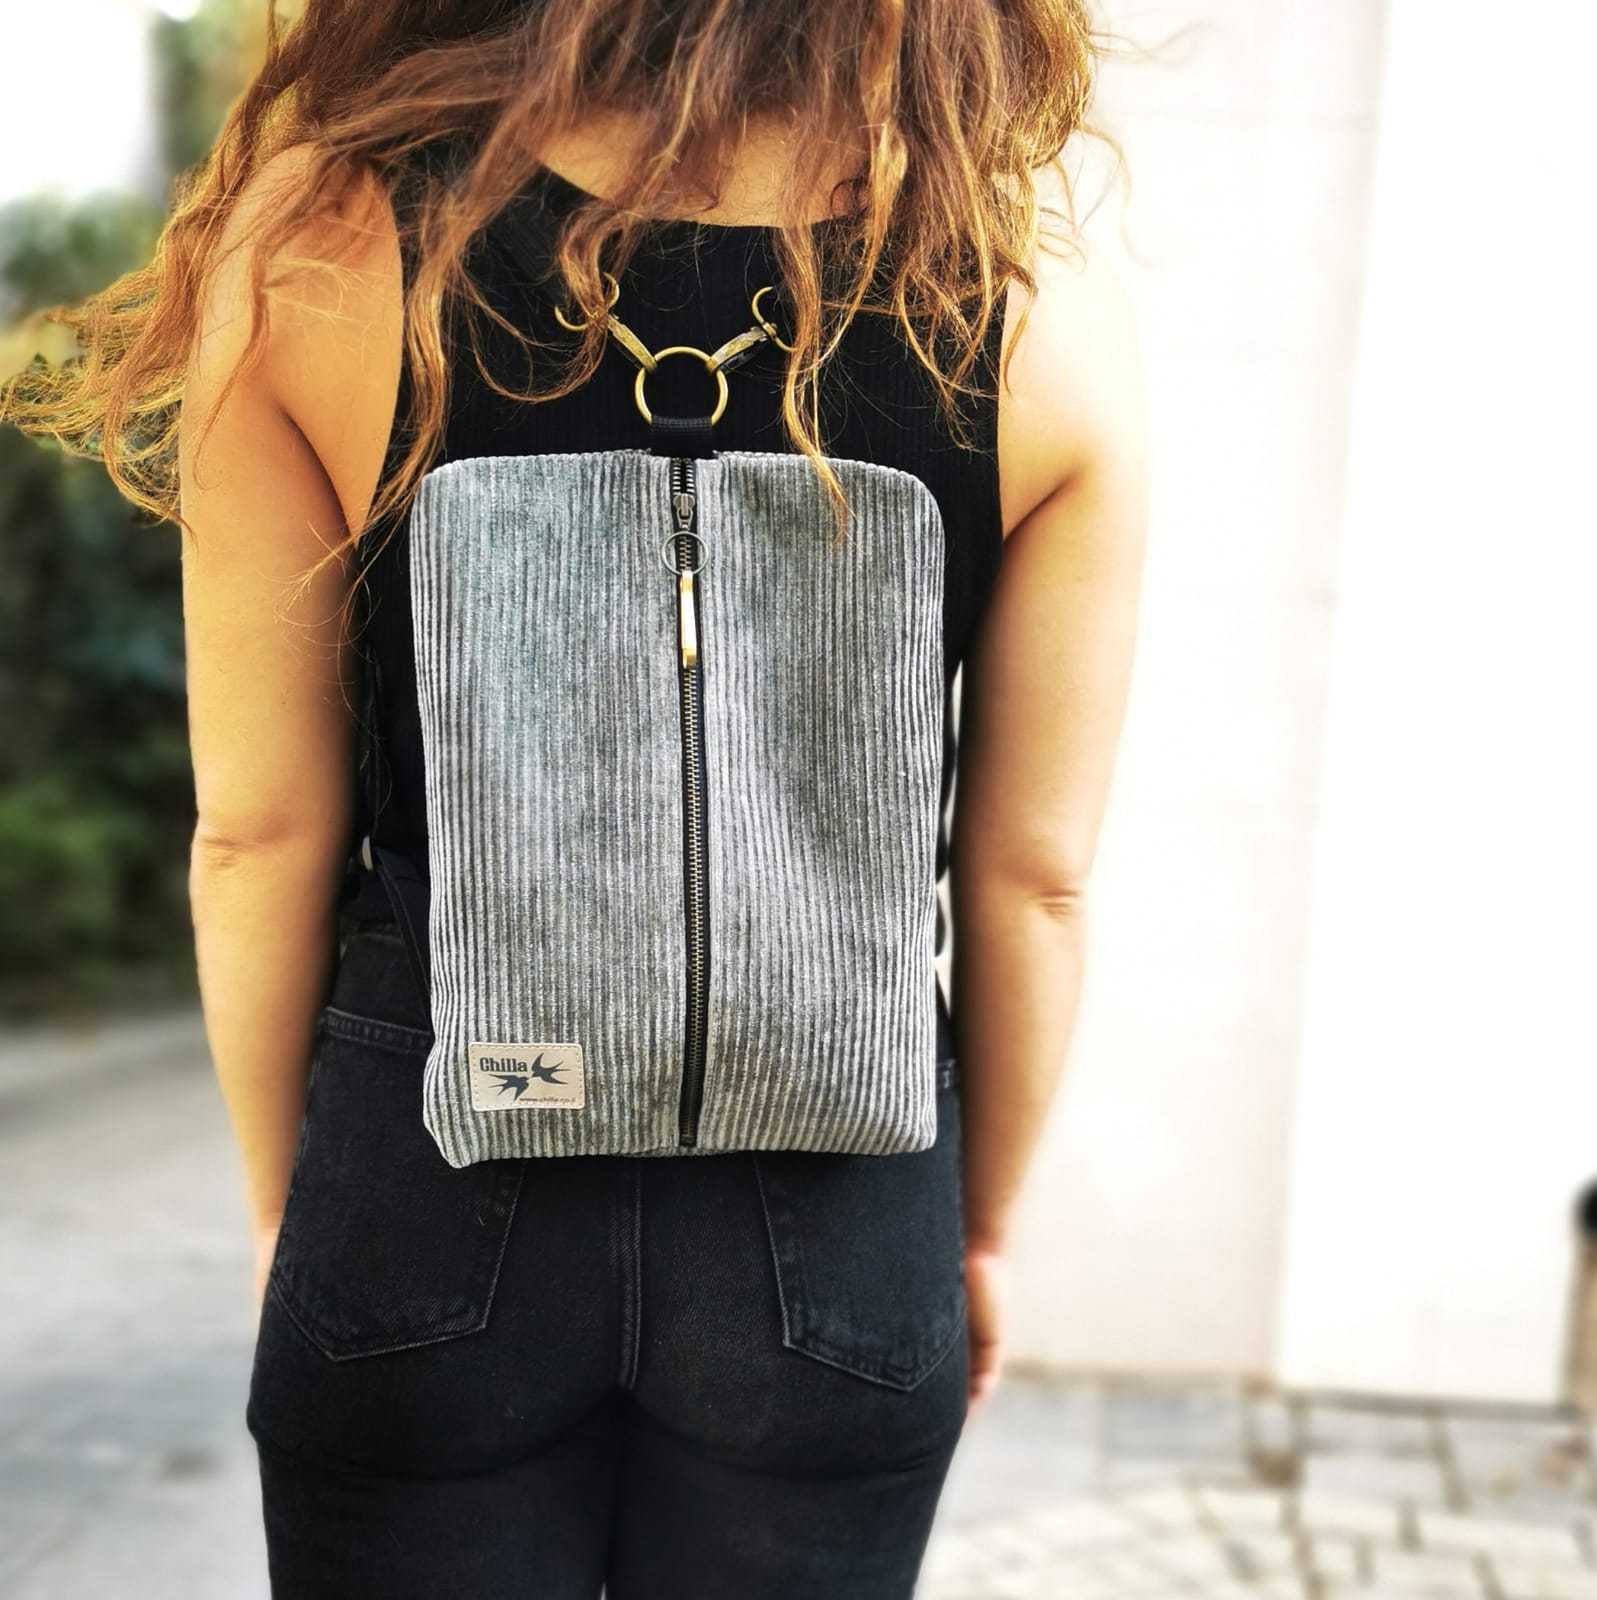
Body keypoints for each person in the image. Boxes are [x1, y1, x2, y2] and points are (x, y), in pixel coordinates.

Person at [2, 0, 1148, 1593]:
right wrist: (979, 1232)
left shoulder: (322, 241)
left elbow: (255, 837)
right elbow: (1032, 882)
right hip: (837, 1208)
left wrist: (294, 1206)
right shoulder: (1017, 298)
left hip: (426, 1169)